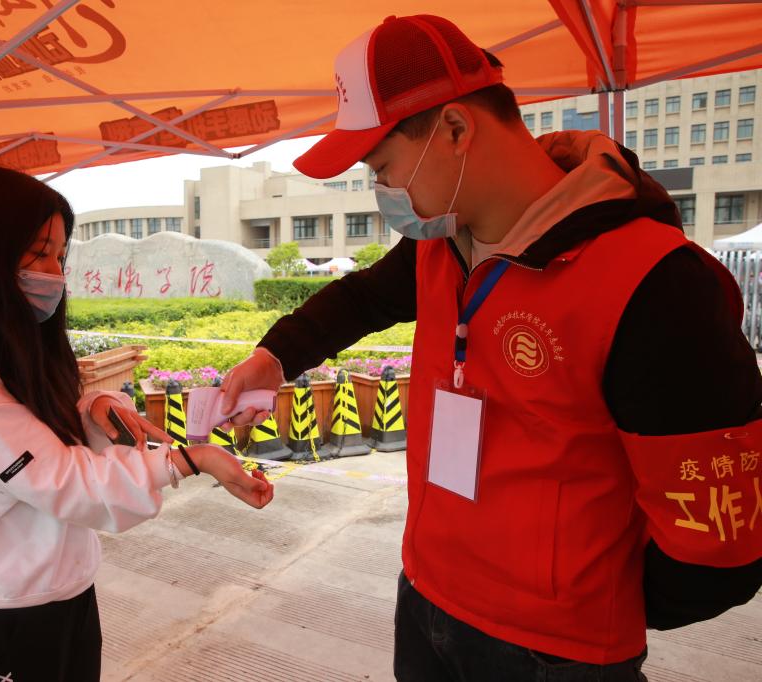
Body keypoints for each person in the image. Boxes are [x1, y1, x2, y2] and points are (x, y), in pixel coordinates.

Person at [220, 14, 762, 681]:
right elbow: (362, 299)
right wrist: (274, 357)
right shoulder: (442, 243)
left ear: (455, 128)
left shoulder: (653, 282)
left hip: (552, 650)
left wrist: (586, 601)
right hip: (428, 597)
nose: (383, 191)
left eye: (383, 167)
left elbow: (717, 544)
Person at [0, 166, 273, 681]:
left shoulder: (11, 347)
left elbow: (41, 429)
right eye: (38, 253)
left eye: (59, 256)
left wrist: (93, 406)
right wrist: (190, 460)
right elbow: (61, 480)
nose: (53, 273)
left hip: (65, 595)